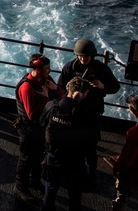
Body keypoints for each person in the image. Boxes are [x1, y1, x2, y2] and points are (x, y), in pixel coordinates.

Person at [58, 38, 120, 182]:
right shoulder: (70, 68)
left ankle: (91, 175)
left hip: (92, 113)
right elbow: (61, 87)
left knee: (90, 148)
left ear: (92, 55)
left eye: (85, 56)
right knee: (71, 145)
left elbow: (115, 87)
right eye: (80, 56)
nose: (82, 58)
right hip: (74, 113)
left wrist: (102, 86)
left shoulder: (101, 69)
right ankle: (71, 173)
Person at [40, 78, 93, 211]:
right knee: (75, 193)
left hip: (53, 156)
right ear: (85, 94)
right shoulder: (84, 114)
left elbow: (42, 123)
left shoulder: (52, 106)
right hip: (74, 161)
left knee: (51, 188)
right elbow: (89, 140)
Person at [14, 53, 62, 200]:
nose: (50, 71)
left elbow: (63, 96)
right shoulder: (27, 87)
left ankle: (35, 181)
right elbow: (31, 115)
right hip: (29, 128)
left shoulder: (47, 80)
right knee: (26, 158)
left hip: (42, 127)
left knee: (38, 156)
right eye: (47, 68)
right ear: (38, 69)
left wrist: (56, 88)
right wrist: (46, 98)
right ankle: (20, 187)